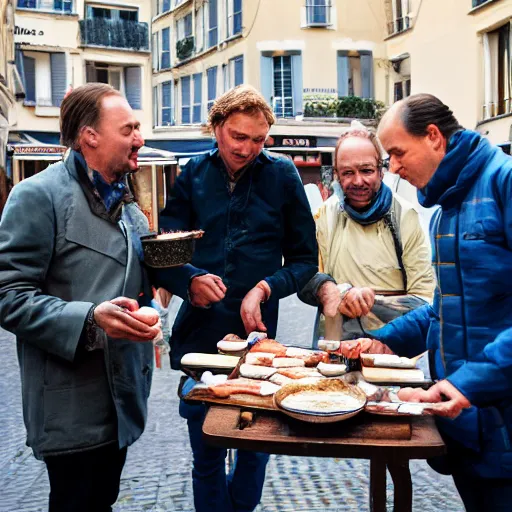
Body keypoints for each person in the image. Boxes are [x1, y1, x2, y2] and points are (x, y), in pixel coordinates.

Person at [152, 85, 318, 512]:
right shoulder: (192, 173)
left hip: (258, 341)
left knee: (254, 450)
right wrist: (189, 280)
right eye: (238, 137)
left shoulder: (282, 174)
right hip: (200, 337)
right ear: (216, 128)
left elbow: (304, 260)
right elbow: (166, 252)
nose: (247, 148)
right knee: (206, 451)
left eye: (258, 139)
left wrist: (265, 288)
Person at [0, 83, 161, 512]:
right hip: (69, 404)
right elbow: (8, 294)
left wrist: (179, 288)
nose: (139, 139)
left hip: (122, 399)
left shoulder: (127, 205)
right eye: (128, 129)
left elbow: (143, 276)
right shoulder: (37, 196)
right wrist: (90, 318)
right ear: (90, 135)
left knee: (102, 500)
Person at [348, 93, 512, 511]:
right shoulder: (446, 210)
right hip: (466, 422)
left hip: (498, 415)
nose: (395, 169)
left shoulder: (504, 182)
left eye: (398, 154)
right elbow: (444, 309)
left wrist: (467, 383)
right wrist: (383, 341)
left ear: (434, 137)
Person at [299, 121, 435, 341]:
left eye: (366, 170)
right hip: (337, 347)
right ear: (336, 175)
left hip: (392, 348)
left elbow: (424, 299)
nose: (358, 181)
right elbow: (305, 276)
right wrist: (339, 292)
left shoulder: (405, 216)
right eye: (348, 173)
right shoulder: (324, 216)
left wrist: (372, 303)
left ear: (381, 171)